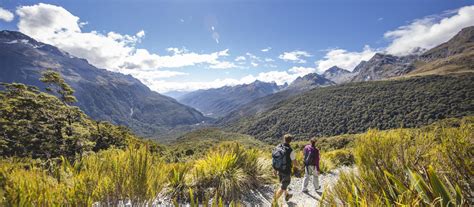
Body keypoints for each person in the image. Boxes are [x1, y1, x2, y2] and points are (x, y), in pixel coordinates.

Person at [272, 134, 297, 202]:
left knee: (283, 184)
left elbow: (275, 158)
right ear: (290, 141)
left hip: (279, 169)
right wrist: (297, 167)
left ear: (284, 139)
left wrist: (274, 169)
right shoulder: (290, 150)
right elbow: (295, 163)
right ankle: (274, 201)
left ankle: (287, 195)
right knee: (283, 186)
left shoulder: (279, 147)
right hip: (286, 171)